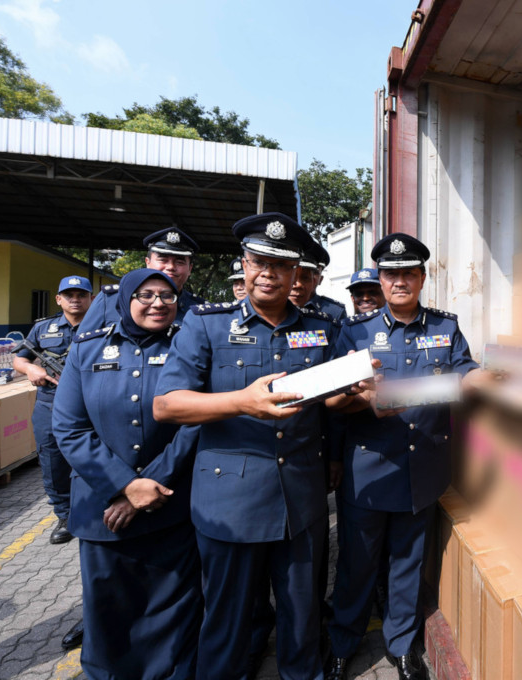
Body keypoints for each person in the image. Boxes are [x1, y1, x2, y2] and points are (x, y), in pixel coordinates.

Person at [153, 212, 342, 680]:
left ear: (297, 273)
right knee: (227, 621)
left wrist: (358, 391)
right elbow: (168, 405)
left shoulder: (321, 328)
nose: (269, 273)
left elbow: (334, 398)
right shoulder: (207, 325)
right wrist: (242, 402)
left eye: (281, 265)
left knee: (302, 618)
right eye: (259, 261)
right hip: (229, 501)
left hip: (300, 498)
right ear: (245, 263)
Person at [325, 234, 487, 680]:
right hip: (371, 469)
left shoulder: (444, 327)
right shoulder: (355, 332)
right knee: (356, 565)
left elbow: (464, 370)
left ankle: (401, 646)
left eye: (408, 273)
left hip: (423, 469)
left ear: (421, 278)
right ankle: (342, 642)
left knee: (408, 565)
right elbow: (335, 400)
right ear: (380, 279)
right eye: (391, 274)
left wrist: (480, 378)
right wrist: (359, 399)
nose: (400, 281)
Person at [51, 269, 202, 679]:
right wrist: (126, 486)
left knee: (171, 612)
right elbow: (68, 426)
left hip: (170, 507)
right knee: (108, 613)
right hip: (103, 512)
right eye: (146, 294)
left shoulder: (188, 348)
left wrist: (152, 483)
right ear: (124, 301)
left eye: (167, 296)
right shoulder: (87, 348)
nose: (158, 303)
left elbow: (195, 423)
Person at [12, 276, 93, 546]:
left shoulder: (104, 326)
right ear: (58, 299)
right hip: (50, 403)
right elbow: (19, 358)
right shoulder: (43, 328)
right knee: (52, 460)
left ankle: (98, 508)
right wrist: (30, 369)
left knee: (95, 455)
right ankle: (65, 516)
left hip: (91, 403)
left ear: (90, 298)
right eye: (68, 294)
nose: (75, 299)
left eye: (81, 294)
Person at [79, 226, 204, 332]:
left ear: (190, 269)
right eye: (163, 260)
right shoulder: (110, 300)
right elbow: (83, 348)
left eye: (179, 262)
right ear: (147, 262)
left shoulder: (201, 309)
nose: (171, 267)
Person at [289, 241, 347, 322]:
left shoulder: (334, 312)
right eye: (294, 276)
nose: (298, 284)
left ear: (319, 279)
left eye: (315, 273)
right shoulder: (272, 308)